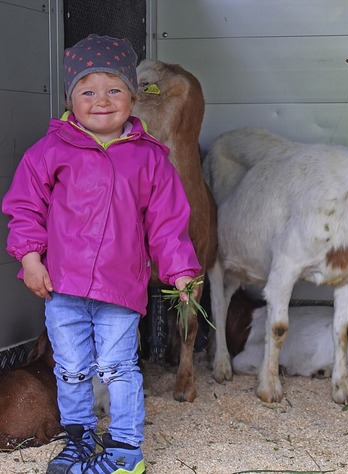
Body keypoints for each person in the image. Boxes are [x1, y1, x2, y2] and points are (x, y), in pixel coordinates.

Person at [2, 34, 202, 474]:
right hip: (63, 287)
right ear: (70, 98)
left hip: (120, 288)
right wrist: (30, 258)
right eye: (87, 91)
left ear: (133, 95)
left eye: (114, 90)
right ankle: (78, 439)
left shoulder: (151, 160)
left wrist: (181, 270)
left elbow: (167, 223)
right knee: (72, 369)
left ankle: (127, 451)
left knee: (117, 368)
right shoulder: (49, 152)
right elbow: (24, 208)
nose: (102, 101)